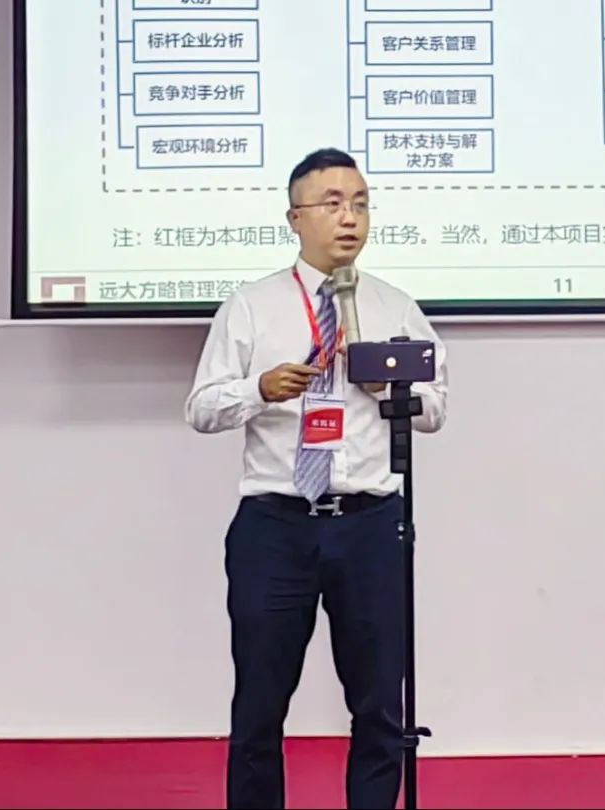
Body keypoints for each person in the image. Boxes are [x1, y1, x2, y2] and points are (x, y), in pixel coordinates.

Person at [184, 147, 448, 810]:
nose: (349, 218)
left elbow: (436, 409)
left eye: (360, 204)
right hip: (275, 527)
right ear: (294, 218)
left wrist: (386, 387)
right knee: (259, 707)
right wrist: (259, 389)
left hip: (370, 525)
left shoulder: (396, 307)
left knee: (379, 706)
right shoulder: (251, 307)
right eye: (332, 204)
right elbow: (201, 409)